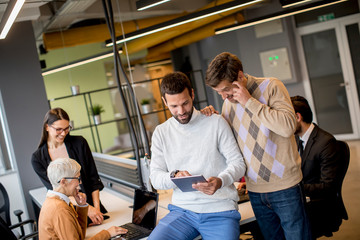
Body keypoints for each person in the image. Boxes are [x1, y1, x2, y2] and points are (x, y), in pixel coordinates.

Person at [204, 52, 311, 240]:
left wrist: (249, 102)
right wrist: (212, 120)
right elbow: (227, 145)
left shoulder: (271, 86)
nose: (223, 96)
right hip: (255, 191)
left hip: (286, 187)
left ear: (239, 76)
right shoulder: (228, 105)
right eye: (218, 92)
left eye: (226, 89)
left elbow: (288, 127)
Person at [149, 72, 246, 240]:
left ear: (192, 94)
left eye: (185, 103)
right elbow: (155, 178)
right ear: (165, 102)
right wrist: (174, 176)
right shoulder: (161, 133)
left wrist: (221, 180)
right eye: (174, 106)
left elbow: (238, 164)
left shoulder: (215, 122)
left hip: (220, 210)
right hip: (182, 212)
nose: (181, 111)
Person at [32, 108, 106, 225]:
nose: (63, 133)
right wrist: (86, 209)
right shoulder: (37, 158)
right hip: (67, 212)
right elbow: (56, 190)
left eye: (67, 128)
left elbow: (93, 179)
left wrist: (96, 209)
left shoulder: (79, 143)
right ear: (47, 127)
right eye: (58, 129)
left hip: (93, 209)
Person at [291, 95, 345, 239]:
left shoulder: (326, 143)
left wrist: (295, 188)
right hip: (302, 200)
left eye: (286, 118)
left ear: (297, 117)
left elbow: (328, 186)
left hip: (319, 206)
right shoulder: (295, 139)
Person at [38, 157, 127, 239]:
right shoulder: (59, 209)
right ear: (63, 182)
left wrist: (82, 206)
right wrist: (107, 234)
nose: (79, 183)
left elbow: (79, 236)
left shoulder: (55, 201)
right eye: (77, 178)